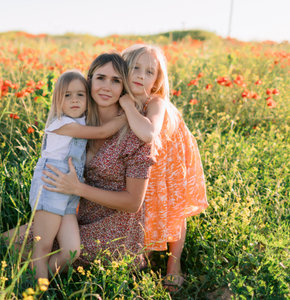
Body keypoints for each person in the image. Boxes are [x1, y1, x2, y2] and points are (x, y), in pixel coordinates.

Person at [4, 53, 155, 277]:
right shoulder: (77, 121)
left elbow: (133, 202)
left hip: (114, 228)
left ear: (124, 87)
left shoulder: (135, 134)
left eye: (116, 81)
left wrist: (78, 188)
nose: (106, 87)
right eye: (100, 78)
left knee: (50, 248)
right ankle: (37, 281)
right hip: (74, 214)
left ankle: (38, 284)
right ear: (89, 81)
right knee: (9, 242)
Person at [119, 44, 208, 290]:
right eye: (135, 68)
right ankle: (145, 251)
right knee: (143, 206)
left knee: (171, 207)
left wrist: (127, 106)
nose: (140, 75)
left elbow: (150, 133)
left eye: (149, 72)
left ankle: (174, 263)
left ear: (157, 80)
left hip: (170, 157)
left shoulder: (155, 102)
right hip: (146, 161)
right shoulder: (120, 96)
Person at [28, 69, 127, 279]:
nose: (74, 100)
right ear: (58, 100)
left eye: (80, 94)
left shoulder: (82, 121)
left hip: (71, 190)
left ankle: (37, 279)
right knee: (43, 245)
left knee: (72, 251)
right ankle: (37, 288)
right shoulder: (62, 124)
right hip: (52, 184)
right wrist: (124, 117)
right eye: (67, 95)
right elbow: (101, 133)